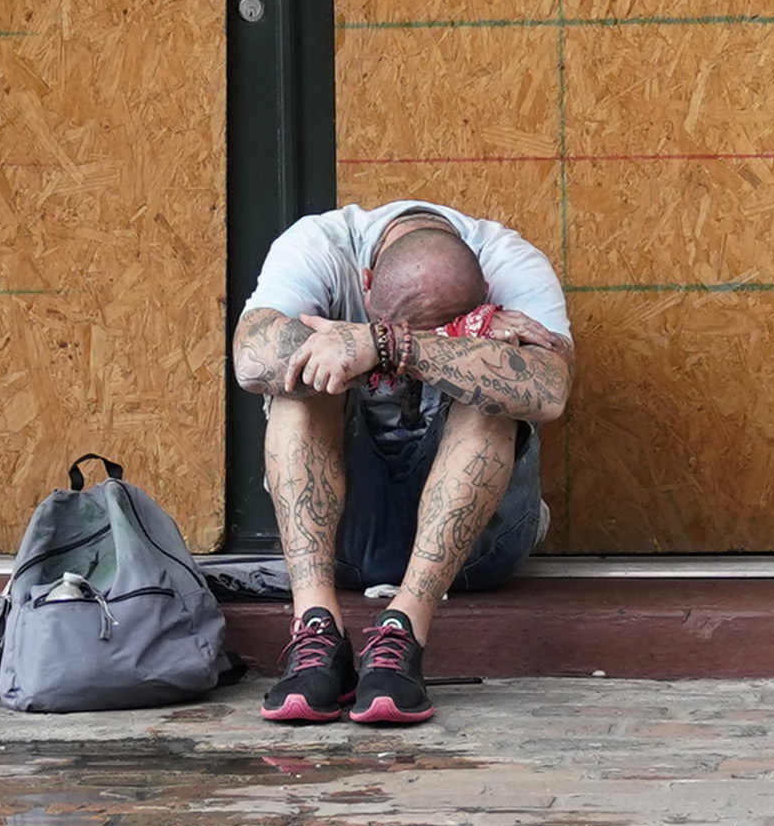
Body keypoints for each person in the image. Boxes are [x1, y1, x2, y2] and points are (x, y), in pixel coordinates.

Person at [228, 198, 573, 726]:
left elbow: (550, 391)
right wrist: (346, 347)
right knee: (302, 379)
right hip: (341, 541)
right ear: (364, 282)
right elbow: (251, 360)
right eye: (388, 321)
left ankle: (403, 632)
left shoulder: (510, 262)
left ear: (485, 294)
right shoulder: (320, 246)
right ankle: (316, 630)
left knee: (495, 394)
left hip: (476, 552)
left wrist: (394, 345)